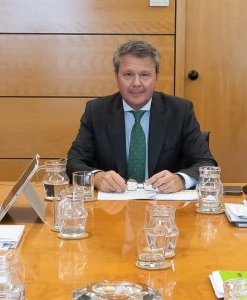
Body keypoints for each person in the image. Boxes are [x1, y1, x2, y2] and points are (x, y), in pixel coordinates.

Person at [65, 39, 216, 194]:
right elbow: (73, 162)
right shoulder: (97, 111)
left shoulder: (180, 111)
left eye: (145, 74)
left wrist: (180, 180)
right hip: (112, 208)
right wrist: (96, 178)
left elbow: (207, 164)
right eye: (128, 74)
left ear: (156, 76)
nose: (136, 83)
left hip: (165, 209)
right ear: (116, 76)